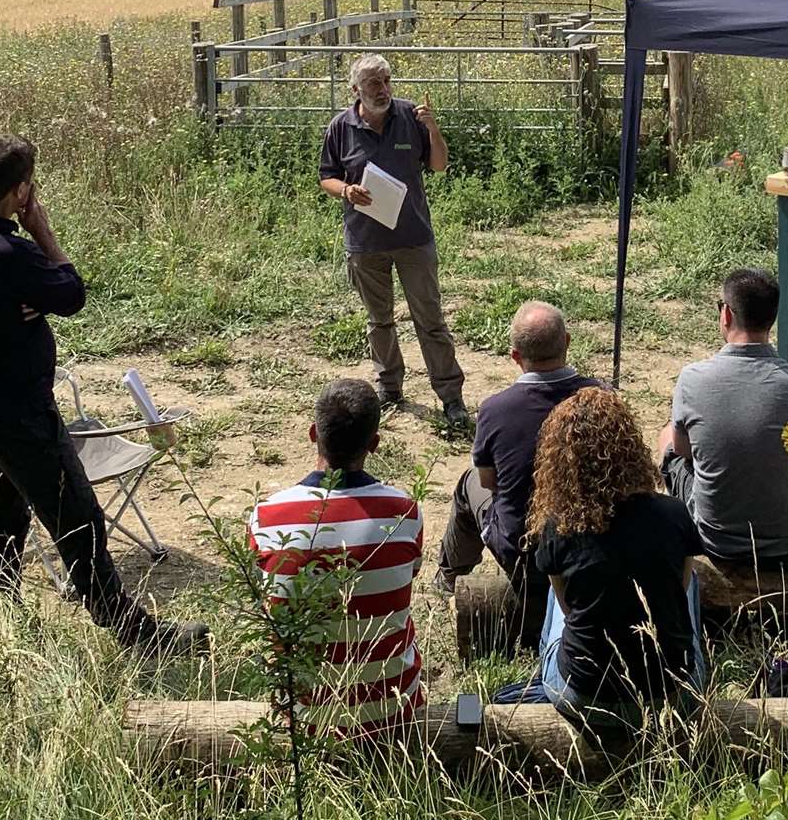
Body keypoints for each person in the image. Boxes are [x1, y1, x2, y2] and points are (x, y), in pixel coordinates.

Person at [0, 134, 206, 656]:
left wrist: (26, 298)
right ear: (19, 192)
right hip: (19, 412)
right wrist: (42, 234)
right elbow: (72, 294)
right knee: (77, 517)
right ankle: (132, 633)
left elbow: (34, 299)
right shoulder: (6, 252)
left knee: (2, 511)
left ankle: (4, 611)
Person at [250, 379, 425, 734]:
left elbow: (267, 596)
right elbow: (410, 574)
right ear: (374, 444)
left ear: (313, 433)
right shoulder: (402, 513)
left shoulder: (267, 516)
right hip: (392, 707)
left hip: (303, 713)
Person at [529, 387, 707, 724]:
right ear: (630, 449)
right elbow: (681, 587)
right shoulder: (673, 513)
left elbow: (567, 607)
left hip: (583, 695)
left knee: (559, 592)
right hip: (673, 692)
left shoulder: (559, 525)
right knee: (689, 577)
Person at [318, 53, 467, 427]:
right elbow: (327, 177)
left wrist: (433, 130)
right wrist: (347, 191)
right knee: (379, 320)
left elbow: (439, 165)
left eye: (386, 80)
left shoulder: (410, 117)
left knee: (430, 320)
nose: (383, 89)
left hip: (414, 238)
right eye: (373, 83)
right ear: (355, 90)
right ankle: (389, 389)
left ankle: (451, 397)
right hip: (366, 243)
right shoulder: (340, 127)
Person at [432, 301, 601, 631]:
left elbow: (489, 481)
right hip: (593, 544)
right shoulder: (599, 397)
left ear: (515, 356)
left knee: (470, 483)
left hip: (524, 552)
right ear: (567, 342)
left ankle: (449, 576)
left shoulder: (496, 410)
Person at [657, 267, 788, 569]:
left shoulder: (693, 379)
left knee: (667, 436)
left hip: (716, 542)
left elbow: (684, 452)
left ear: (726, 315)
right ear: (771, 319)